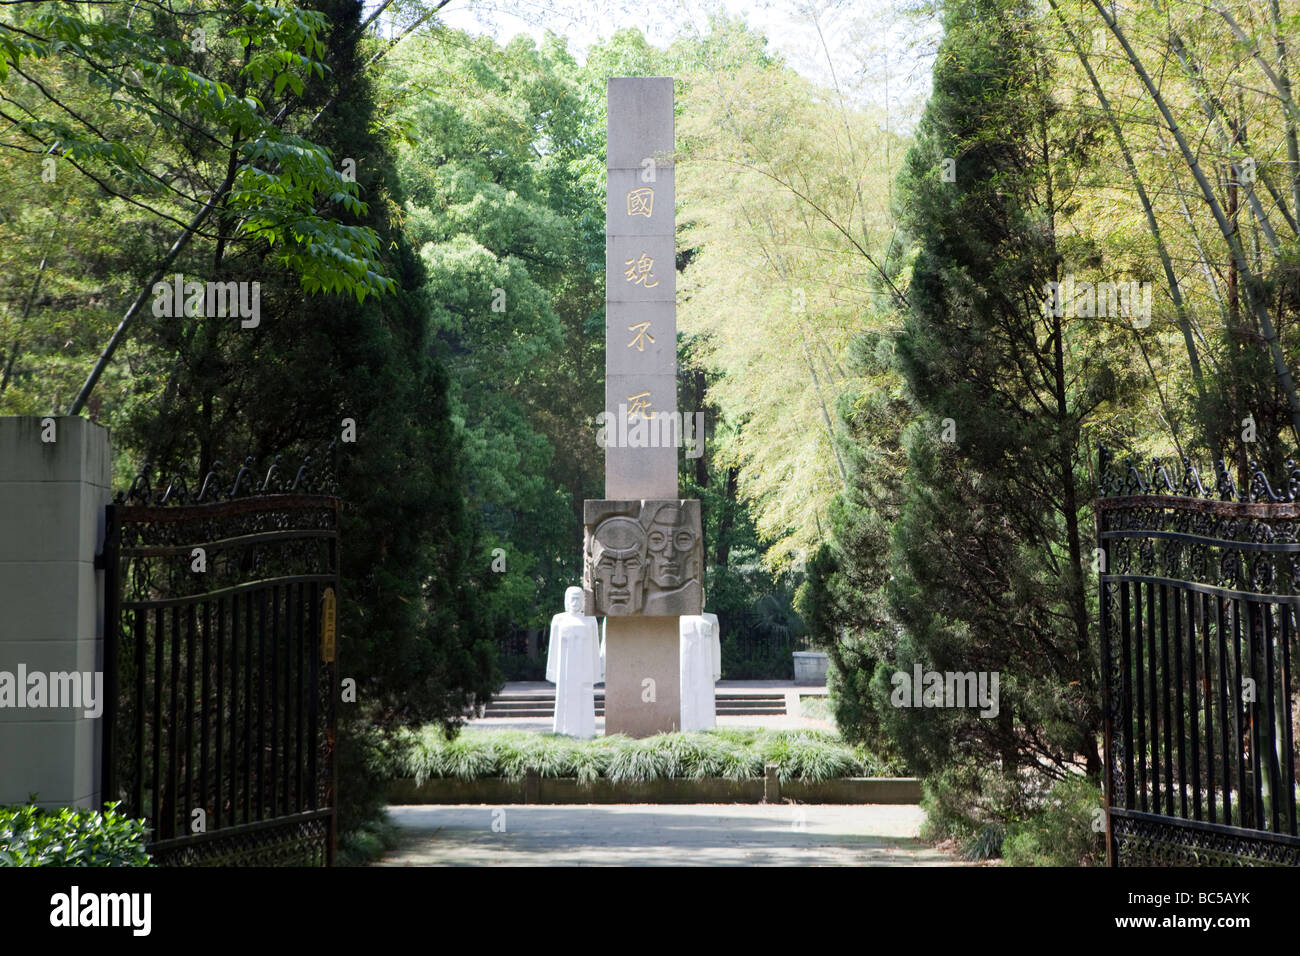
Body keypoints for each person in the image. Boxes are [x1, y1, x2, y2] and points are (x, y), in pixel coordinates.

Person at [546, 586, 601, 738]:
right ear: (566, 600)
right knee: (565, 701)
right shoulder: (559, 619)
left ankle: (586, 734)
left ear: (583, 600)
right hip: (565, 672)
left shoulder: (590, 620)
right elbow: (553, 648)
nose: (574, 601)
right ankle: (564, 733)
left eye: (578, 598)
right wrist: (552, 673)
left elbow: (594, 649)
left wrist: (596, 673)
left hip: (584, 671)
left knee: (584, 700)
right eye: (572, 598)